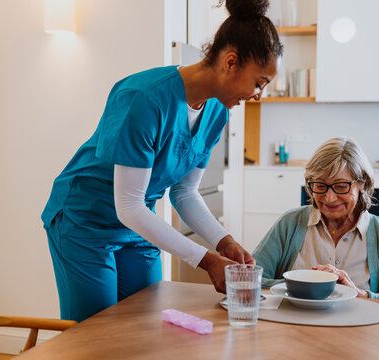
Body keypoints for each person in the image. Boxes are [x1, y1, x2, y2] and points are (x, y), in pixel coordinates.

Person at [42, 0, 283, 321]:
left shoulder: (216, 112)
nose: (258, 95)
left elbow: (184, 193)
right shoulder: (144, 98)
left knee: (145, 324)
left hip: (138, 228)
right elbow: (128, 204)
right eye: (259, 82)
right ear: (230, 62)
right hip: (85, 221)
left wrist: (223, 242)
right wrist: (207, 260)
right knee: (94, 334)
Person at [252, 137, 379, 302]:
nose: (329, 198)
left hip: (359, 335)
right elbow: (249, 278)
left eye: (341, 186)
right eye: (320, 186)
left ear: (362, 184)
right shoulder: (291, 224)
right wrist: (305, 284)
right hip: (295, 329)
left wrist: (361, 294)